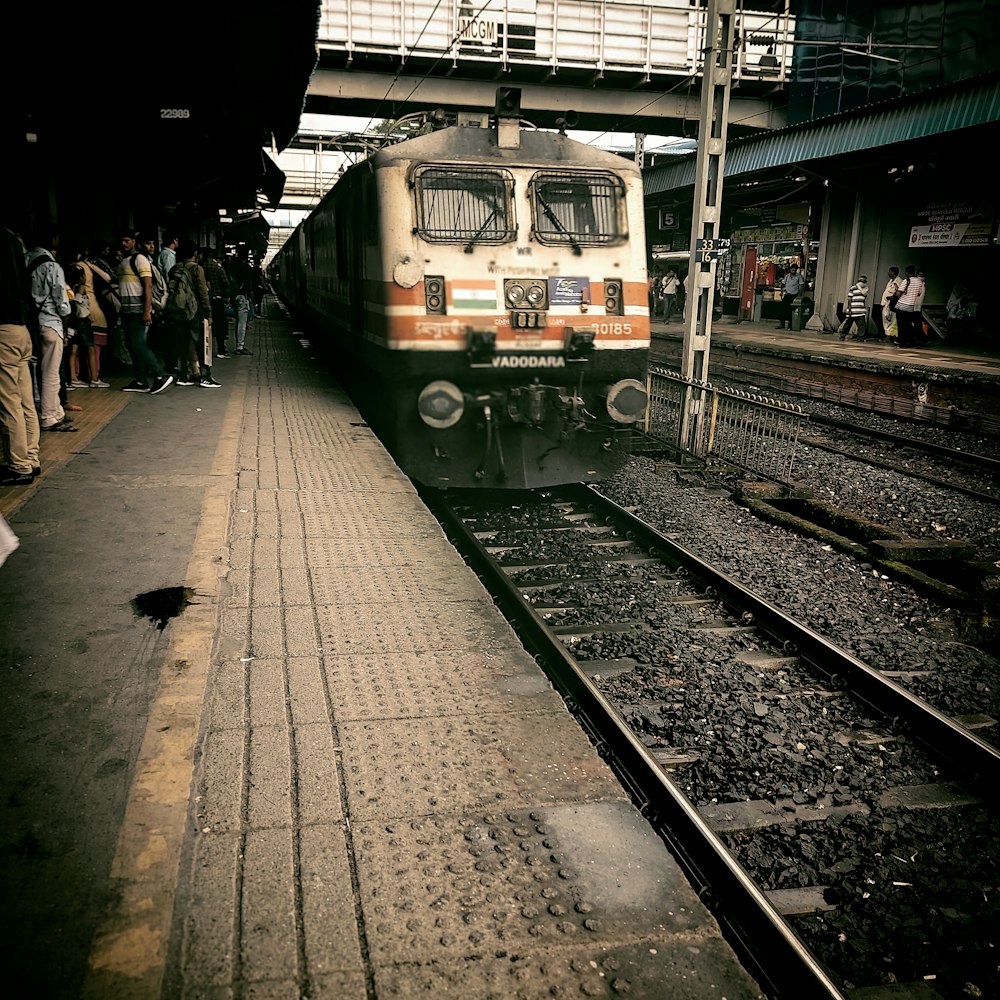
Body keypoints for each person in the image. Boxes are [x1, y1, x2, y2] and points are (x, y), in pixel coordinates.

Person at [0, 224, 41, 484]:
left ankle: (18, 464)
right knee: (25, 399)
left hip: (3, 330)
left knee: (8, 400)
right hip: (21, 328)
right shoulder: (13, 241)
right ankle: (31, 457)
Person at [26, 230, 75, 432]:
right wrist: (65, 325)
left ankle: (57, 412)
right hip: (51, 321)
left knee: (41, 369)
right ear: (53, 239)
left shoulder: (25, 259)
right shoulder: (51, 265)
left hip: (31, 321)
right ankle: (49, 416)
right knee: (51, 372)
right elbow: (62, 302)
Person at [117, 231, 173, 394]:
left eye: (127, 240)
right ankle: (141, 380)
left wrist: (147, 311)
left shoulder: (139, 260)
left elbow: (147, 286)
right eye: (122, 241)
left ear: (134, 242)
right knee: (132, 345)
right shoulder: (124, 262)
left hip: (138, 310)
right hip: (127, 310)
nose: (124, 244)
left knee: (138, 344)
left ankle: (160, 374)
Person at [200, 246, 231, 358]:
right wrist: (227, 296)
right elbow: (225, 281)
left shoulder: (201, 266)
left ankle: (205, 351)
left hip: (205, 299)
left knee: (206, 325)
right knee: (220, 324)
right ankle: (221, 349)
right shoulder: (216, 266)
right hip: (217, 298)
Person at [227, 247, 255, 355]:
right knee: (242, 323)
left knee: (238, 322)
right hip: (242, 296)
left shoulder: (232, 265)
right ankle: (240, 347)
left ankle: (239, 345)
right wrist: (254, 300)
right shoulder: (245, 267)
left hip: (233, 296)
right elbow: (249, 285)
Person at [894, 264, 926, 348]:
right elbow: (918, 294)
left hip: (901, 305)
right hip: (911, 307)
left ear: (907, 272)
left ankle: (902, 342)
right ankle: (911, 341)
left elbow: (898, 293)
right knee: (908, 325)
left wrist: (897, 292)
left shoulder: (906, 281)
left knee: (901, 325)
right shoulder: (919, 282)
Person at [838, 275, 869, 341]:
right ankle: (842, 335)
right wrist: (849, 309)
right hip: (853, 310)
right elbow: (849, 298)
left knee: (862, 325)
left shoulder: (865, 289)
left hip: (861, 310)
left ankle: (861, 337)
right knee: (848, 324)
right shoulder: (853, 288)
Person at [775, 263, 804, 329]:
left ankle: (790, 325)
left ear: (796, 270)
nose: (793, 271)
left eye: (794, 270)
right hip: (787, 295)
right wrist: (782, 291)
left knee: (791, 311)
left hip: (794, 295)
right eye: (792, 270)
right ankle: (782, 324)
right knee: (782, 310)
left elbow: (801, 286)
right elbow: (783, 283)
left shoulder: (799, 277)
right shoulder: (787, 276)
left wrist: (799, 295)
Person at [875, 266, 900, 341]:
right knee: (885, 320)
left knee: (891, 320)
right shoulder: (890, 281)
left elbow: (898, 291)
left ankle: (890, 336)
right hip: (886, 304)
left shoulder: (897, 281)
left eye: (890, 271)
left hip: (892, 303)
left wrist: (892, 297)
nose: (888, 273)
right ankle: (888, 335)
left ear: (894, 272)